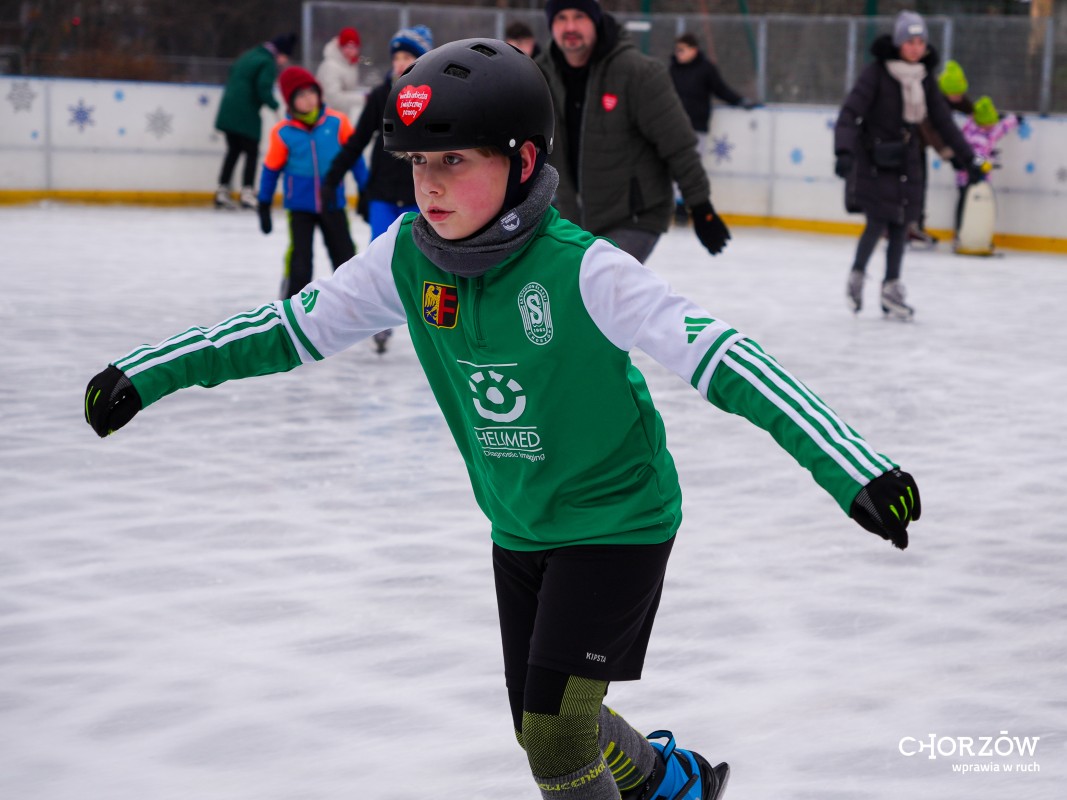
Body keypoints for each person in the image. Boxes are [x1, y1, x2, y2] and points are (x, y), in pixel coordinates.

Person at [85, 38, 921, 800]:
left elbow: (726, 360)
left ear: (522, 161)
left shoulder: (587, 271)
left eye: (455, 159)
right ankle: (669, 781)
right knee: (548, 723)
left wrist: (849, 467)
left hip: (616, 522)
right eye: (417, 163)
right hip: (519, 526)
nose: (430, 184)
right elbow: (285, 330)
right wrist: (149, 372)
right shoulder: (407, 258)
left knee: (554, 743)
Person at [535, 0, 730, 264]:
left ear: (596, 20)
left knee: (599, 289)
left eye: (579, 16)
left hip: (634, 217)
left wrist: (701, 207)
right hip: (574, 217)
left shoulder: (638, 73)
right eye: (561, 18)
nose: (570, 27)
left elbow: (678, 144)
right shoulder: (539, 76)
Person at [833, 11, 982, 319]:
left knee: (902, 225)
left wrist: (968, 159)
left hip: (907, 159)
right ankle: (857, 276)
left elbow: (944, 122)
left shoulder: (924, 80)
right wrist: (844, 152)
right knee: (878, 221)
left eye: (921, 42)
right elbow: (850, 114)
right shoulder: (876, 74)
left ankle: (891, 288)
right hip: (875, 158)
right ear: (899, 43)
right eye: (910, 42)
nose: (916, 48)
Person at [320, 24, 434, 355]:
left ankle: (430, 325)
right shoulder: (380, 95)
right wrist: (332, 178)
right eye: (397, 57)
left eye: (409, 56)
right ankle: (381, 324)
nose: (401, 63)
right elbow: (356, 142)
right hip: (382, 193)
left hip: (420, 196)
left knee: (423, 260)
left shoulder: (438, 98)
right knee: (381, 257)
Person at [257, 66, 357, 298]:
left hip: (332, 202)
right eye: (301, 95)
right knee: (300, 262)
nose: (309, 99)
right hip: (300, 207)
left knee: (345, 256)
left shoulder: (337, 122)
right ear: (290, 102)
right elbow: (270, 170)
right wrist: (264, 204)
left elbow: (355, 160)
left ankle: (359, 303)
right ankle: (290, 304)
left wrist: (366, 190)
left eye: (311, 92)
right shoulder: (283, 132)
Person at [668, 32, 759, 223]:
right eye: (676, 50)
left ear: (694, 50)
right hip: (673, 127)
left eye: (682, 50)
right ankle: (675, 205)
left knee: (691, 168)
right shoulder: (672, 69)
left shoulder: (706, 69)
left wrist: (740, 101)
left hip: (696, 127)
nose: (678, 53)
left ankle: (685, 205)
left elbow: (721, 89)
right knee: (672, 167)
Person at [214, 33, 295, 210]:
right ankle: (247, 193)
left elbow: (233, 72)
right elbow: (263, 88)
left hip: (228, 110)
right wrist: (277, 107)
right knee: (251, 151)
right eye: (284, 57)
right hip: (246, 114)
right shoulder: (267, 62)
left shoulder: (250, 54)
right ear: (280, 53)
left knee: (233, 150)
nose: (283, 62)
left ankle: (222, 191)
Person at [910, 58, 976, 248]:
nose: (958, 98)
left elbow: (965, 105)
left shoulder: (949, 96)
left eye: (960, 94)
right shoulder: (931, 100)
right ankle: (908, 226)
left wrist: (986, 115)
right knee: (915, 185)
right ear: (945, 93)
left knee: (921, 184)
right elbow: (931, 132)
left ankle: (916, 225)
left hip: (920, 146)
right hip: (908, 144)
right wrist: (950, 156)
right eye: (954, 95)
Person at [953, 95, 1020, 236]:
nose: (992, 125)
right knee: (966, 205)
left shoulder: (989, 130)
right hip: (966, 178)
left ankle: (981, 234)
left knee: (985, 205)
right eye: (990, 122)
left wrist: (1014, 119)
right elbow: (971, 156)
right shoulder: (971, 135)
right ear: (981, 121)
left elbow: (1000, 129)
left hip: (983, 178)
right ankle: (960, 234)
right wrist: (984, 163)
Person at [316, 26, 363, 122]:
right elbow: (334, 99)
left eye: (354, 47)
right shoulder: (331, 66)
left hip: (339, 118)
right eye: (347, 46)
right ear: (340, 46)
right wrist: (362, 98)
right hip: (325, 119)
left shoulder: (349, 65)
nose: (351, 51)